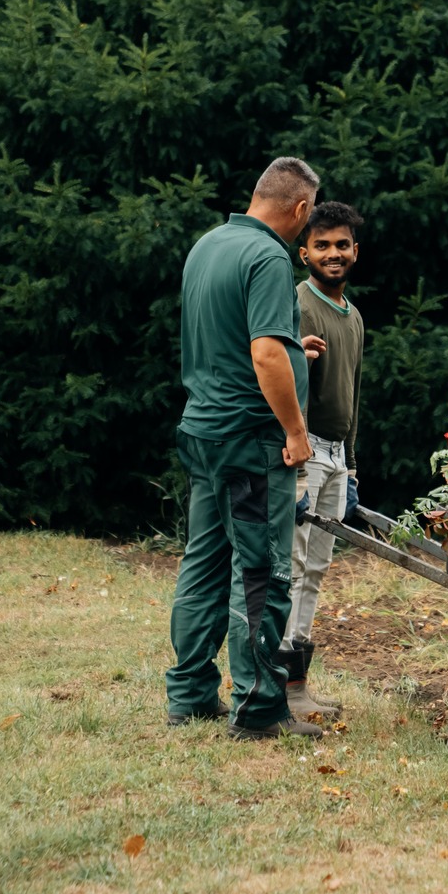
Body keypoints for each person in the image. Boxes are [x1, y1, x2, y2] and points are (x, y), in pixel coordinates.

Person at [166, 157, 326, 739]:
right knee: (259, 572)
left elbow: (243, 338)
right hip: (249, 439)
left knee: (204, 562)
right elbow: (262, 355)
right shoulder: (266, 257)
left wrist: (291, 347)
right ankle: (259, 709)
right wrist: (294, 431)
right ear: (302, 209)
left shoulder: (210, 245)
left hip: (204, 431)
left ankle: (188, 695)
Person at [281, 201, 365, 718]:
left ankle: (298, 686)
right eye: (322, 245)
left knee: (316, 568)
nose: (332, 254)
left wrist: (351, 466)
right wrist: (290, 458)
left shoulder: (353, 316)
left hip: (336, 455)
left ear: (356, 251)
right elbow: (274, 380)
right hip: (303, 449)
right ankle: (276, 683)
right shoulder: (297, 304)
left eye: (341, 245)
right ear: (304, 251)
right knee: (290, 566)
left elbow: (352, 395)